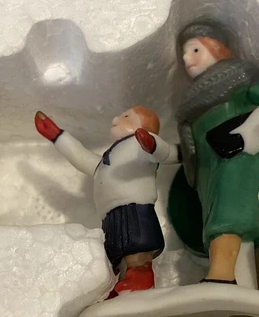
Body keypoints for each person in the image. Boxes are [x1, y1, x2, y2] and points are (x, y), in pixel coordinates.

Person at [175, 18, 259, 283]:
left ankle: (223, 276)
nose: (187, 59)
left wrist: (251, 129)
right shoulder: (192, 101)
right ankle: (236, 280)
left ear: (215, 47)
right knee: (215, 217)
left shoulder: (239, 76)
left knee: (230, 212)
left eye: (195, 50)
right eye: (184, 54)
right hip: (207, 166)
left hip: (234, 153)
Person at [35, 106, 178, 294]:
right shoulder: (106, 160)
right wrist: (58, 136)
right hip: (110, 214)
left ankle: (141, 278)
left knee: (136, 243)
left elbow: (167, 152)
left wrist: (152, 144)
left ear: (144, 128)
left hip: (134, 206)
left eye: (126, 116)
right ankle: (120, 284)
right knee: (115, 250)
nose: (115, 119)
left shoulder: (140, 146)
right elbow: (81, 157)